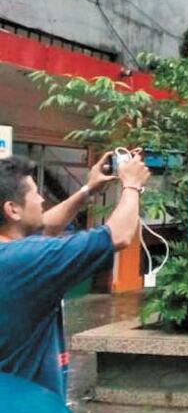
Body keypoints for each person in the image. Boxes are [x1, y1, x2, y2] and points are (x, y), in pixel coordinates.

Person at [0, 150, 150, 398]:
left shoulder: (15, 253)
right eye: (36, 194)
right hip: (30, 411)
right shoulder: (26, 259)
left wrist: (88, 190)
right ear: (12, 210)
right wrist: (132, 185)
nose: (41, 200)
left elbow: (46, 225)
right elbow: (119, 235)